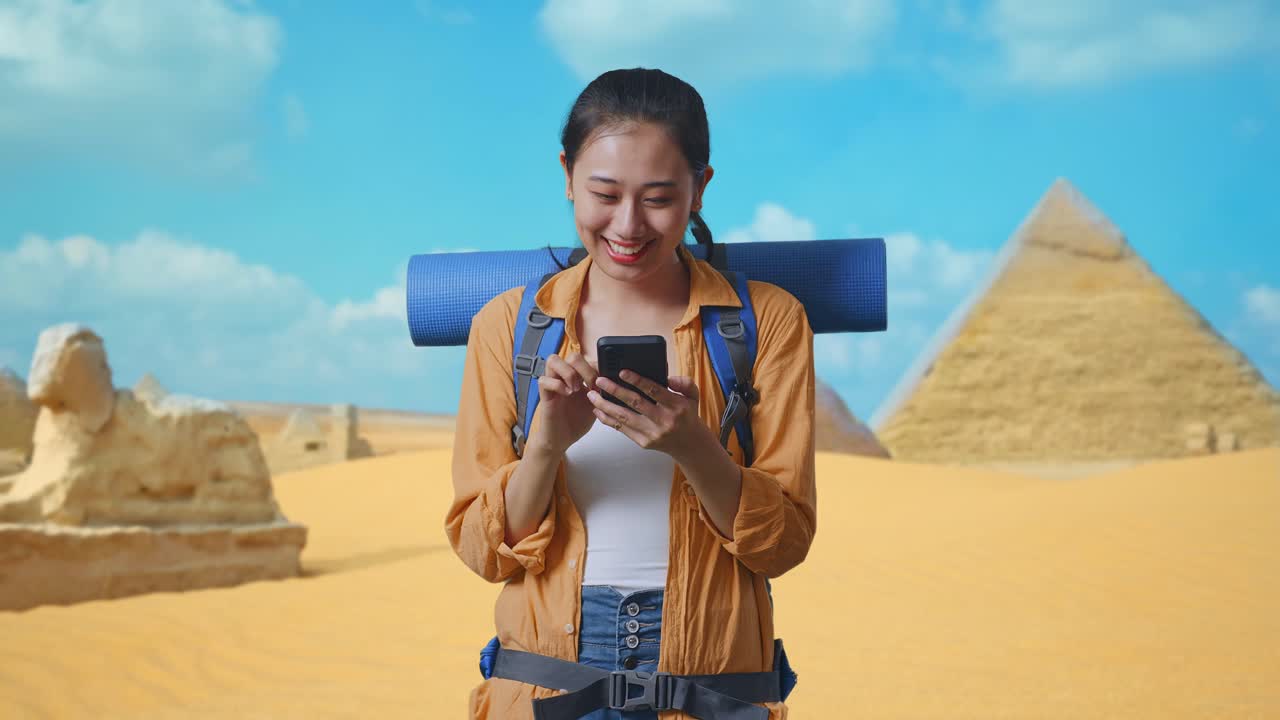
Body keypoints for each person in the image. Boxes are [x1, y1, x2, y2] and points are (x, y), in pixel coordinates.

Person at [446, 67, 817, 720]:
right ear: (567, 176)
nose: (628, 224)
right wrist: (545, 448)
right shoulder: (507, 327)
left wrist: (695, 449)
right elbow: (483, 552)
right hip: (543, 686)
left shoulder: (769, 321)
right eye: (605, 193)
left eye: (659, 198)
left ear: (700, 189)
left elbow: (782, 546)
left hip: (711, 689)